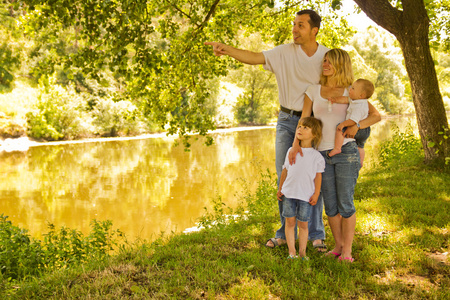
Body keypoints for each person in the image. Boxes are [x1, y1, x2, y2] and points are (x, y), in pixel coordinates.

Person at [205, 9, 330, 251]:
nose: (294, 29)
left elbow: (338, 85)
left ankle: (316, 235)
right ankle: (284, 232)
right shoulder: (283, 52)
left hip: (315, 123)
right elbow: (253, 57)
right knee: (286, 177)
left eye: (301, 25)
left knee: (314, 177)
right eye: (294, 24)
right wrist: (227, 49)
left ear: (314, 30)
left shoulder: (326, 56)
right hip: (286, 120)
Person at [290, 49, 381, 262]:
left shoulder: (353, 92)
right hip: (321, 154)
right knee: (330, 204)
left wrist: (357, 126)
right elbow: (303, 120)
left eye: (330, 62)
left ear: (341, 64)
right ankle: (338, 246)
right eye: (324, 61)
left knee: (345, 203)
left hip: (346, 152)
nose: (325, 65)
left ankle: (347, 251)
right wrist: (296, 146)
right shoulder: (313, 90)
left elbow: (376, 115)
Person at [277, 117, 325, 260]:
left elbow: (318, 178)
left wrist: (316, 194)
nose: (300, 129)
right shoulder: (291, 151)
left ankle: (302, 253)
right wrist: (280, 189)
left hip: (305, 196)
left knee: (303, 225)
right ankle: (292, 252)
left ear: (314, 134)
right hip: (288, 193)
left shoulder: (317, 157)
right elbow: (285, 171)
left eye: (305, 128)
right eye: (299, 126)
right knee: (290, 223)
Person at [328, 78, 375, 167]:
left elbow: (353, 120)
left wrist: (343, 124)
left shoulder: (359, 107)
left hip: (359, 129)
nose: (350, 89)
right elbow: (345, 99)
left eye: (353, 88)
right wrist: (335, 99)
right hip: (366, 130)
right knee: (360, 146)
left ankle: (337, 148)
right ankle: (360, 162)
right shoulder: (358, 101)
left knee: (340, 128)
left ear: (361, 95)